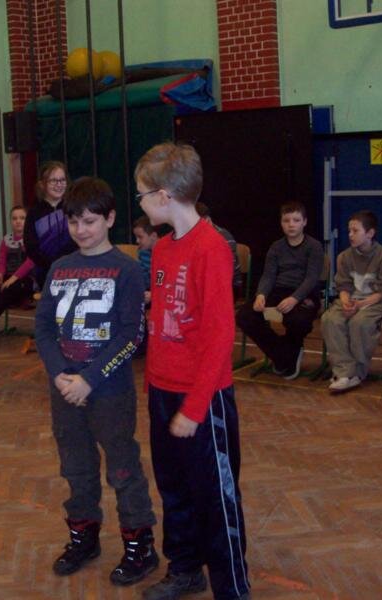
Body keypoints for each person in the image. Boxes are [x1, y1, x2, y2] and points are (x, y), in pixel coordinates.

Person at [136, 142, 250, 600]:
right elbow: (162, 322)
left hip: (203, 400)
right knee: (174, 488)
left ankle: (231, 588)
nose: (140, 203)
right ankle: (184, 569)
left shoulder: (212, 247)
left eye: (142, 195)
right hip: (163, 392)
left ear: (164, 196)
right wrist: (154, 387)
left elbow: (220, 336)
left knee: (215, 497)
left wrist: (196, 406)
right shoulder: (162, 249)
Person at [34, 177, 158, 587]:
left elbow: (131, 335)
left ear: (110, 218)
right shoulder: (59, 268)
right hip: (65, 391)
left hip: (109, 392)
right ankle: (83, 538)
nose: (81, 229)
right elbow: (43, 329)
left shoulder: (126, 270)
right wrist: (59, 373)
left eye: (89, 221)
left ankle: (140, 547)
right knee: (76, 467)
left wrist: (89, 378)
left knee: (122, 469)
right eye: (73, 222)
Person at [236, 201, 323, 379]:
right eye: (286, 220)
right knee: (245, 316)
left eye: (296, 220)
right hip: (278, 291)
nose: (291, 224)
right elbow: (268, 275)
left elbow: (311, 278)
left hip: (304, 294)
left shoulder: (314, 246)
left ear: (304, 222)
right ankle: (284, 354)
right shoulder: (276, 247)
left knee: (297, 320)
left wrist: (294, 298)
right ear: (281, 223)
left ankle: (287, 353)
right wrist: (261, 294)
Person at [321, 210, 382, 393]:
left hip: (378, 301)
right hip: (353, 299)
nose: (350, 235)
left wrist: (360, 305)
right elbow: (343, 286)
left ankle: (357, 372)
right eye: (349, 231)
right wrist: (346, 302)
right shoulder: (345, 257)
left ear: (370, 233)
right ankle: (344, 371)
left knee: (360, 323)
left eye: (355, 231)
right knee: (330, 319)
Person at [0, 205, 36, 334]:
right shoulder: (6, 240)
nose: (18, 221)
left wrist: (12, 279)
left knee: (6, 291)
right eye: (14, 218)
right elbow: (1, 260)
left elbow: (30, 262)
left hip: (27, 280)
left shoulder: (32, 238)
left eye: (22, 218)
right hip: (8, 278)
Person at [24, 161, 77, 288]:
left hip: (74, 270)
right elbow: (31, 246)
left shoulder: (73, 208)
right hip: (45, 273)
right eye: (53, 181)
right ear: (42, 184)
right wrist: (51, 265)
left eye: (62, 180)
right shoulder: (34, 213)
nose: (59, 184)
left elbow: (79, 238)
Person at [195, 202, 242, 290]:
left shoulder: (224, 238)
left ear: (207, 220)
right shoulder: (194, 236)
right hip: (205, 282)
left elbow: (224, 272)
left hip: (229, 285)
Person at [133, 215, 158, 297]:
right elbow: (142, 278)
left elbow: (163, 279)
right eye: (136, 237)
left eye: (140, 237)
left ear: (153, 236)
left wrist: (153, 294)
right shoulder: (143, 253)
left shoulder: (165, 254)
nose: (137, 241)